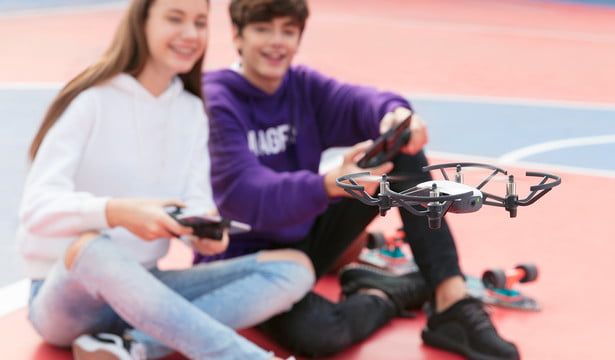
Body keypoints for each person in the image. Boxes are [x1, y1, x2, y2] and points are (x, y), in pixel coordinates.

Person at [197, 1, 521, 359]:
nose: (277, 41)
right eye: (263, 29)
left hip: (303, 232)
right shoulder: (217, 98)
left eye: (287, 31)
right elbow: (246, 194)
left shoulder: (301, 87)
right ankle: (387, 293)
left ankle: (451, 301)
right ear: (237, 35)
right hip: (246, 259)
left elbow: (360, 101)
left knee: (400, 145)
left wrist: (396, 116)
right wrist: (328, 184)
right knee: (321, 334)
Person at [17, 0, 315, 359]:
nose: (190, 34)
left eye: (200, 22)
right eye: (175, 19)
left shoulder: (191, 111)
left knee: (293, 270)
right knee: (92, 248)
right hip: (66, 299)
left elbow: (197, 200)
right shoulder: (91, 101)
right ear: (142, 22)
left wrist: (203, 232)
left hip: (144, 290)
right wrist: (118, 212)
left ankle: (132, 346)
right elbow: (36, 206)